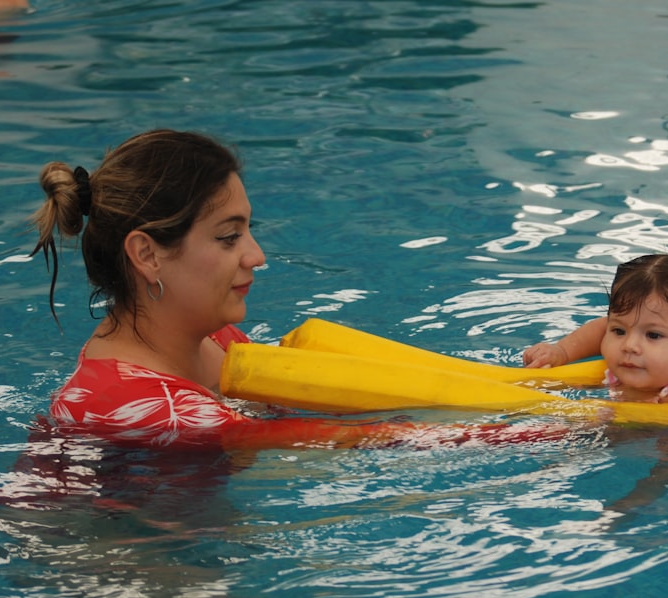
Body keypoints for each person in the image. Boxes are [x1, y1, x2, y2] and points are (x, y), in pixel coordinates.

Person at [30, 129, 553, 450]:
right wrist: (575, 429)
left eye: (248, 231)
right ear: (147, 255)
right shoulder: (146, 410)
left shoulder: (214, 338)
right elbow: (362, 440)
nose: (256, 255)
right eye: (229, 237)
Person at [523, 254, 668, 469]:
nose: (629, 345)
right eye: (619, 331)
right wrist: (561, 351)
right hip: (623, 427)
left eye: (653, 335)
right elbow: (601, 328)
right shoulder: (633, 361)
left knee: (658, 477)